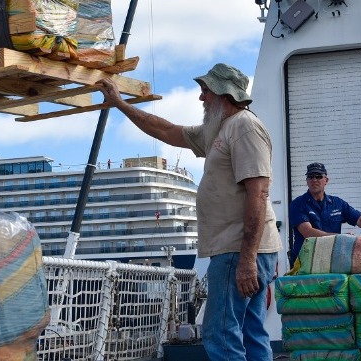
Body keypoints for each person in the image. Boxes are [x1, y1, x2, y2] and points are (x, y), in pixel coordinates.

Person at [96, 63, 282, 361]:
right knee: (250, 330)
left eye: (205, 92)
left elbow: (258, 192)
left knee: (220, 333)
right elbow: (166, 130)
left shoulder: (245, 127)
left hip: (240, 249)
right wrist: (120, 104)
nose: (201, 99)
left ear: (224, 94)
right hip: (241, 249)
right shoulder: (219, 128)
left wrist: (247, 259)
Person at [288, 162, 361, 264]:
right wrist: (341, 238)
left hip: (332, 260)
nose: (314, 180)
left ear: (326, 180)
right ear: (307, 181)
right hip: (306, 261)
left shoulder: (337, 203)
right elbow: (308, 232)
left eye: (318, 176)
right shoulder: (298, 204)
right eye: (310, 177)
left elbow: (360, 220)